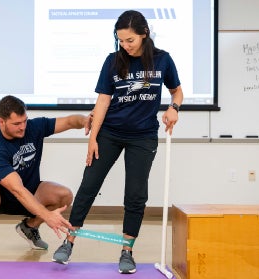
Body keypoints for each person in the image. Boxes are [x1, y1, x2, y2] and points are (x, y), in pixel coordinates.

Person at [52, 10, 183, 274]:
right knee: (89, 186)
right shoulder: (113, 61)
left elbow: (176, 90)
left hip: (143, 137)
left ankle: (126, 252)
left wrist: (174, 108)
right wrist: (93, 139)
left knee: (135, 195)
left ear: (144, 35)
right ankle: (69, 242)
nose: (125, 46)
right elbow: (103, 101)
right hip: (110, 133)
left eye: (130, 40)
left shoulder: (163, 60)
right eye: (120, 40)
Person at [0, 95, 92, 264]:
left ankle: (29, 227)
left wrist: (86, 120)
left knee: (64, 195)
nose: (22, 127)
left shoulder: (34, 127)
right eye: (16, 124)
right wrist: (48, 216)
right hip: (0, 198)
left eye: (24, 121)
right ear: (1, 121)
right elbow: (16, 189)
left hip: (31, 192)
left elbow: (70, 121)